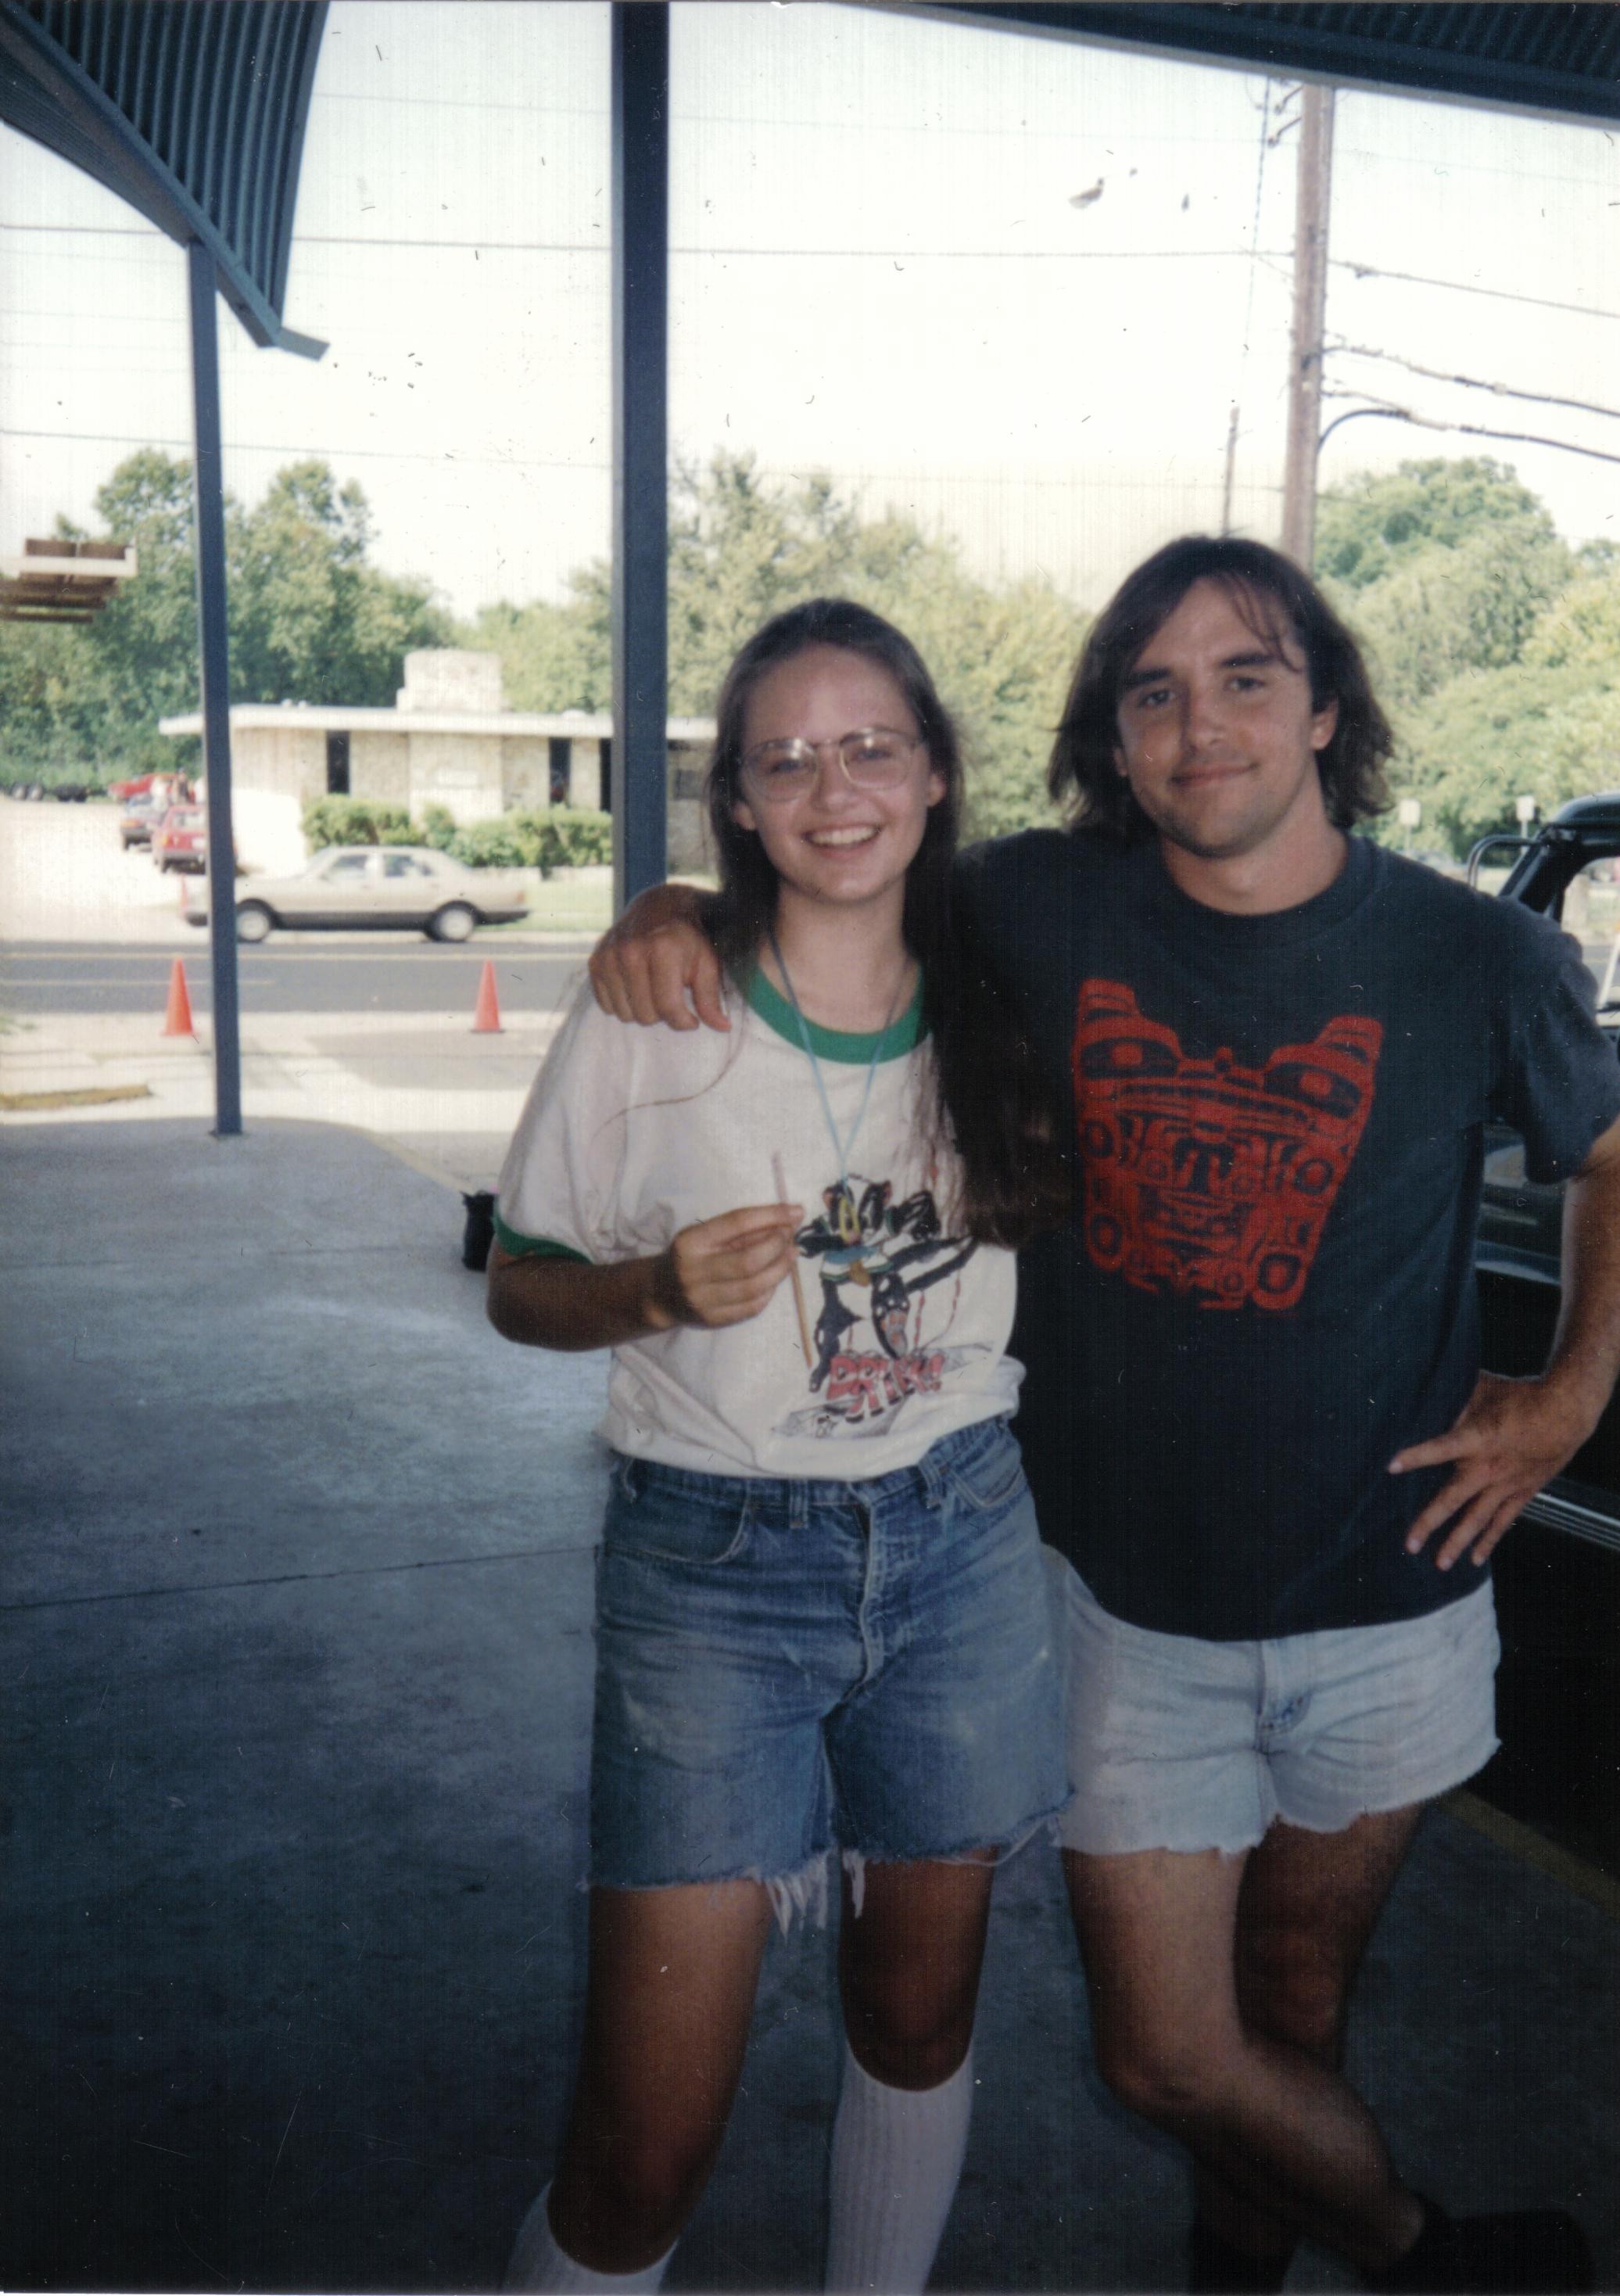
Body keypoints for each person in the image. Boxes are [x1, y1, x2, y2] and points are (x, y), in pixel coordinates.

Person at [589, 536, 1620, 2294]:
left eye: (1244, 678)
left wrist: (1570, 1393)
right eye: (1151, 692)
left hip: (1393, 1600)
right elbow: (831, 871)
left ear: (1324, 714)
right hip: (1118, 1606)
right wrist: (678, 910)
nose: (1198, 724)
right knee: (1164, 2050)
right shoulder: (1036, 905)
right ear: (1111, 739)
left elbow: (1606, 1155)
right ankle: (1424, 2249)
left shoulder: (1474, 956)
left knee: (1295, 2003)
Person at [488, 598, 1070, 2294]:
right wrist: (651, 1286)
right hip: (712, 1570)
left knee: (918, 2014)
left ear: (938, 773)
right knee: (645, 2134)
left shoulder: (1008, 990)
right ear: (735, 803)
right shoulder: (654, 1011)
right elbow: (523, 1293)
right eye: (785, 756)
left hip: (961, 1542)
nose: (834, 786)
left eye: (872, 743)